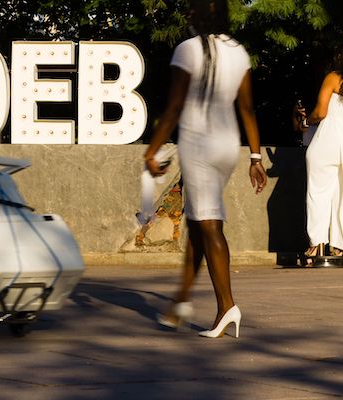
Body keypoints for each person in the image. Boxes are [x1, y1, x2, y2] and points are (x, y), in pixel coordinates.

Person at [145, 0, 267, 338]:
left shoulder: (188, 49)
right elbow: (248, 108)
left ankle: (227, 305)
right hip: (228, 146)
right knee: (200, 222)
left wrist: (152, 151)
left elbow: (174, 107)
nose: (187, 14)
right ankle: (180, 303)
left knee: (209, 224)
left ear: (199, 14)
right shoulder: (238, 51)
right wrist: (256, 159)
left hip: (199, 145)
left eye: (191, 8)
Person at [298, 51, 343, 261]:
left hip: (327, 140)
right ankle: (339, 246)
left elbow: (321, 112)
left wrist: (306, 123)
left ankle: (316, 244)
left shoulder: (334, 78)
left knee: (318, 193)